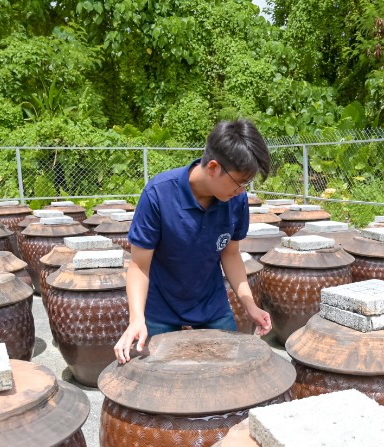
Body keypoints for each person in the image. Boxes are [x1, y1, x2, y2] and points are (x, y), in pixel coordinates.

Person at [113, 119, 273, 363]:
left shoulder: (235, 200)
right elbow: (139, 266)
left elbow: (230, 254)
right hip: (161, 307)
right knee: (161, 380)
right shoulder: (158, 194)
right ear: (212, 167)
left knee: (226, 374)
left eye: (246, 184)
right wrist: (136, 319)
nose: (242, 190)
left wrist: (250, 305)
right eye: (239, 182)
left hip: (212, 305)